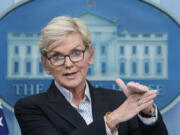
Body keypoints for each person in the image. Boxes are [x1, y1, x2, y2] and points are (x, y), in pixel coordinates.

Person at [15, 16, 168, 135]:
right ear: (45, 64)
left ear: (91, 55)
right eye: (57, 56)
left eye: (76, 53)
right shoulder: (30, 108)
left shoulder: (120, 101)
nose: (68, 64)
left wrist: (146, 113)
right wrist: (112, 119)